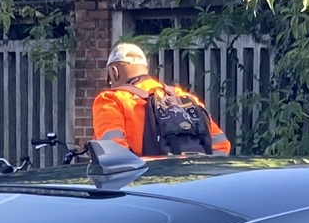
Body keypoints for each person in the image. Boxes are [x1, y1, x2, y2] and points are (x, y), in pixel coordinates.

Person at [90, 42, 230, 157]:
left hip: (145, 185)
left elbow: (113, 154)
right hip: (194, 184)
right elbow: (222, 147)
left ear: (114, 72)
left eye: (109, 78)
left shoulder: (111, 99)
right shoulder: (184, 97)